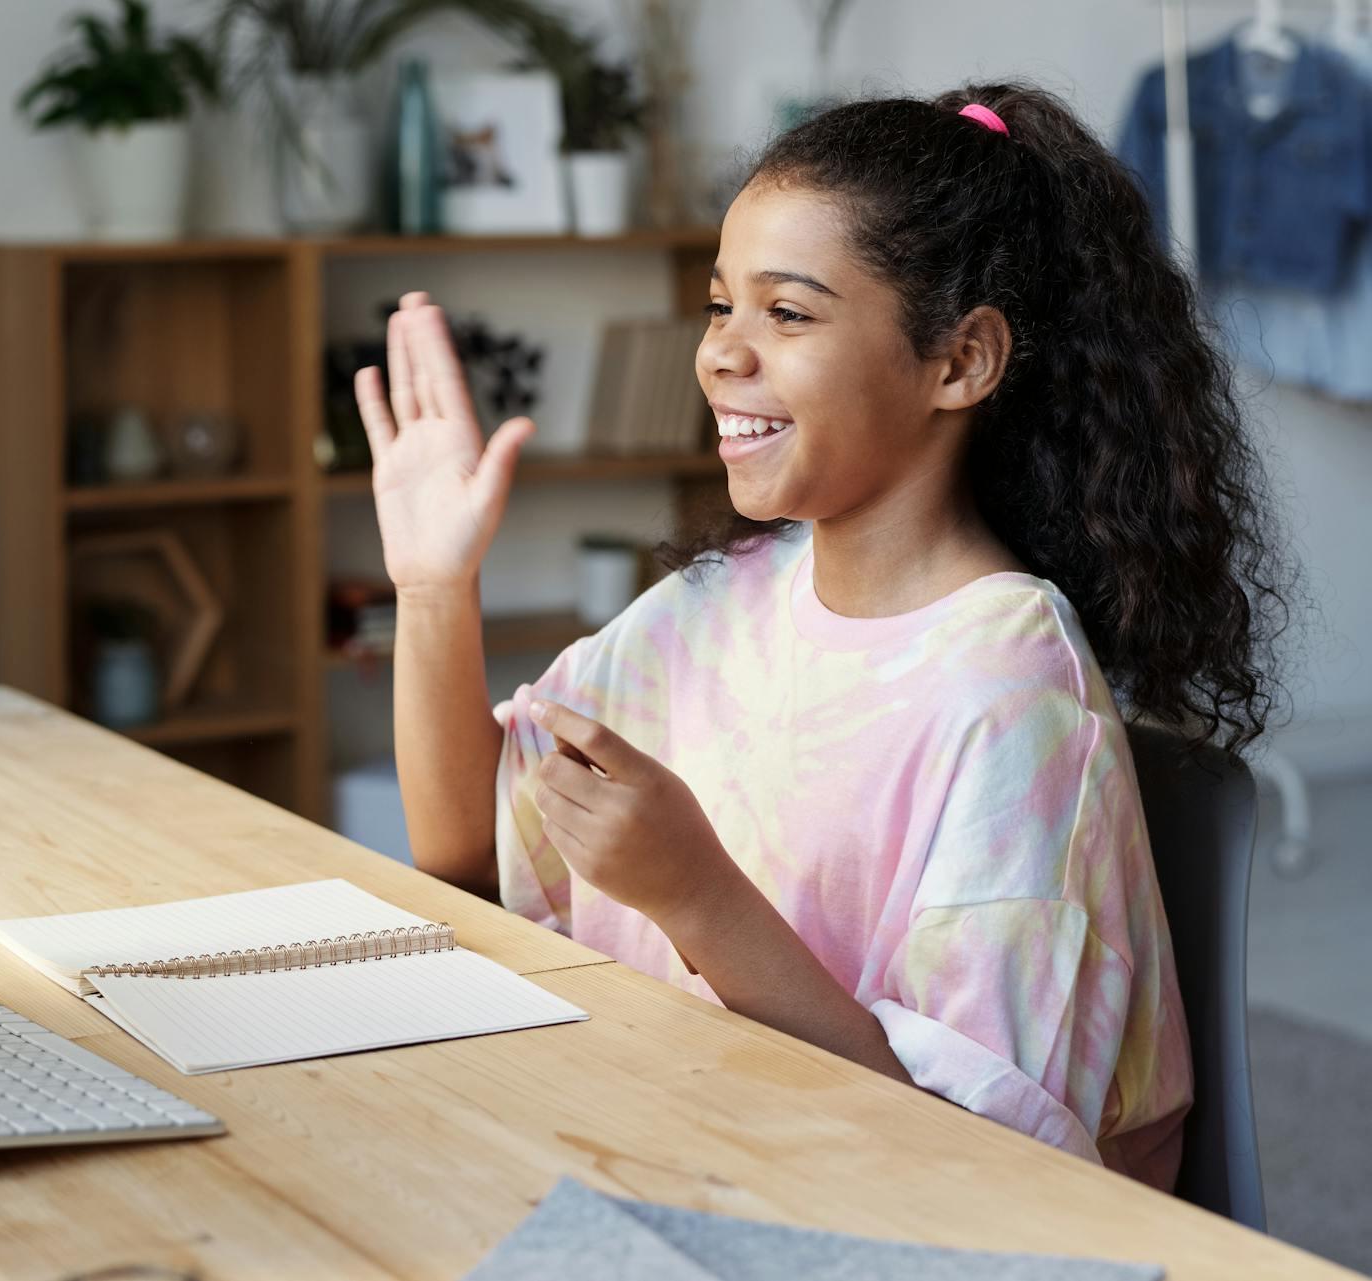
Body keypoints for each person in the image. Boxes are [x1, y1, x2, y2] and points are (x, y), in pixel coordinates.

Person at [352, 83, 1296, 1192]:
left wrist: (694, 895)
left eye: (785, 314)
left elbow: (974, 1171)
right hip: (675, 1155)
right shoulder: (714, 605)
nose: (719, 356)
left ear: (958, 363)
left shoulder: (1011, 705)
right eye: (718, 307)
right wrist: (430, 587)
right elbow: (466, 854)